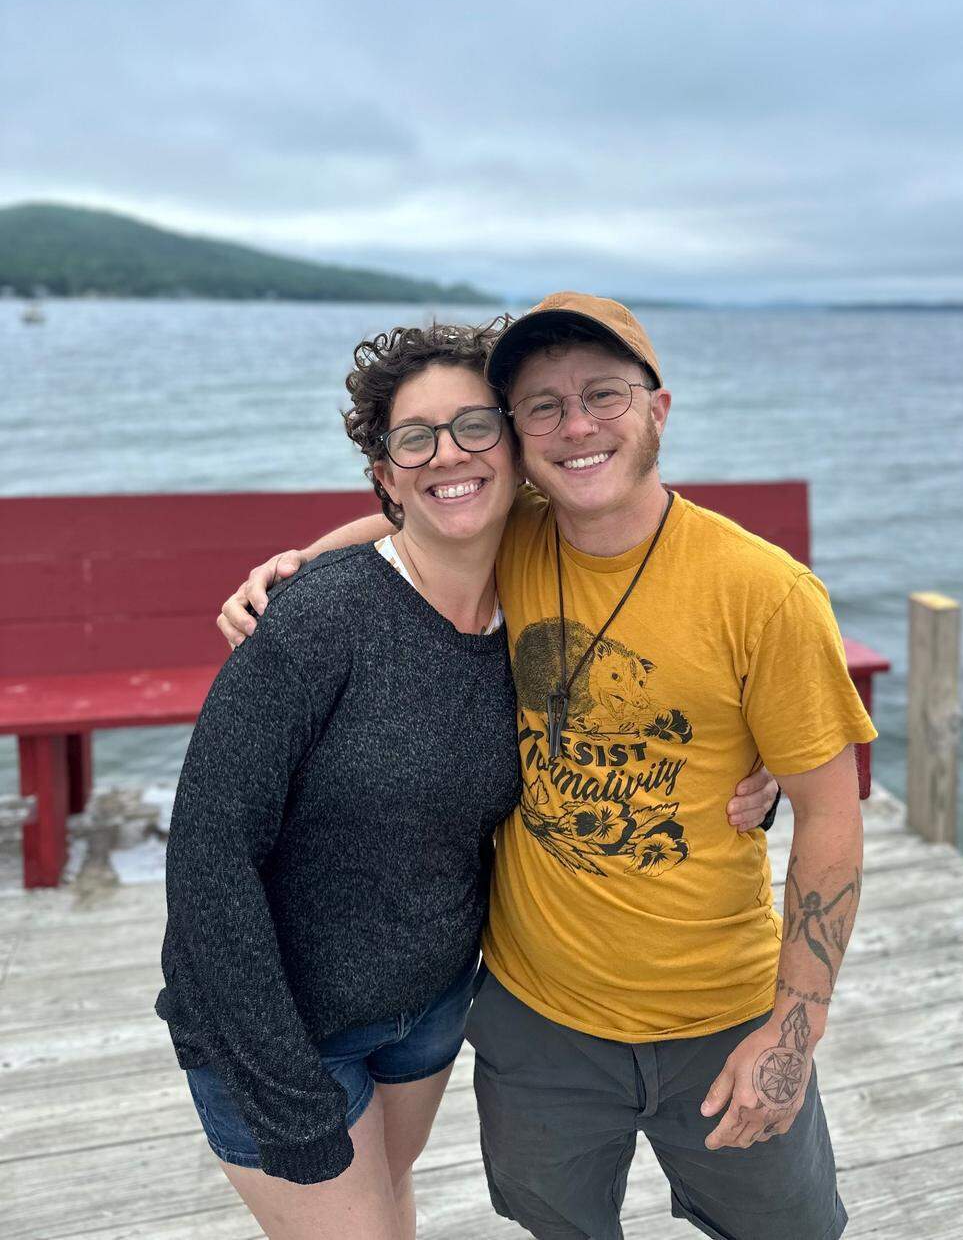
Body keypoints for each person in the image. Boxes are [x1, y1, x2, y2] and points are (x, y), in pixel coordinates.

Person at [219, 293, 873, 1240]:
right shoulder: (511, 534)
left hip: (719, 1010)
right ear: (519, 436)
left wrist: (794, 1028)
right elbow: (402, 532)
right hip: (535, 1015)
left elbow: (832, 813)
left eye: (603, 395)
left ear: (659, 408)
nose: (576, 427)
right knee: (553, 1220)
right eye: (542, 406)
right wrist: (293, 567)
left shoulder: (765, 593)